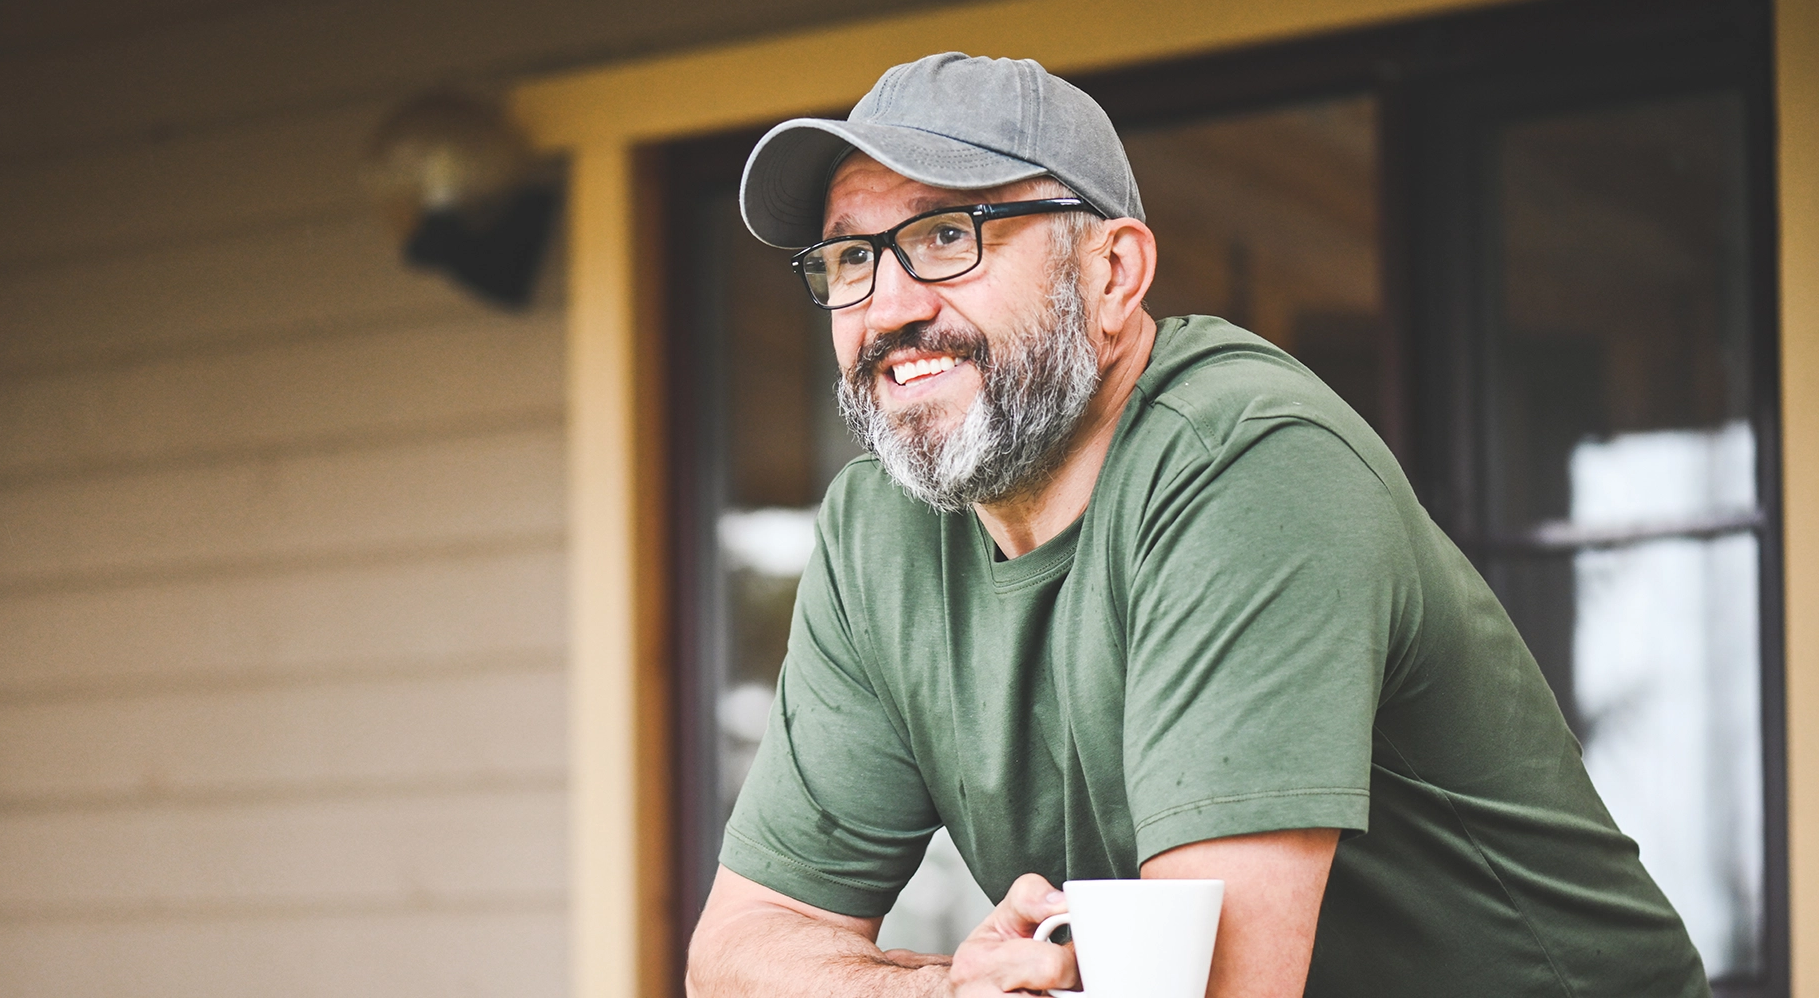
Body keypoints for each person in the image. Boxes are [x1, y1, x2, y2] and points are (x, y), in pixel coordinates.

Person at [686, 52, 1709, 998]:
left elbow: (1219, 986)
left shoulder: (1244, 461)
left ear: (1112, 275)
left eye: (946, 237)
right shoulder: (879, 531)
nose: (884, 304)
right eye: (847, 259)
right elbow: (738, 955)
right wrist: (941, 989)